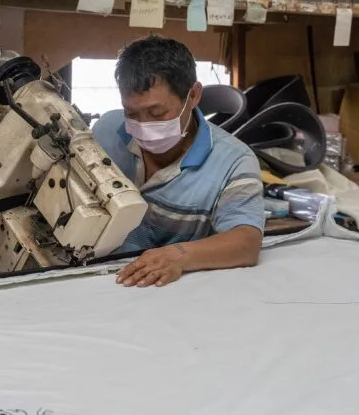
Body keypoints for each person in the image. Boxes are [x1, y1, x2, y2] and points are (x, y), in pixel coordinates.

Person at [91, 35, 265, 288]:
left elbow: (246, 242)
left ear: (193, 95)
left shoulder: (234, 161)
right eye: (132, 114)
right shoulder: (107, 131)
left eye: (157, 113)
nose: (144, 126)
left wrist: (180, 256)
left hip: (161, 290)